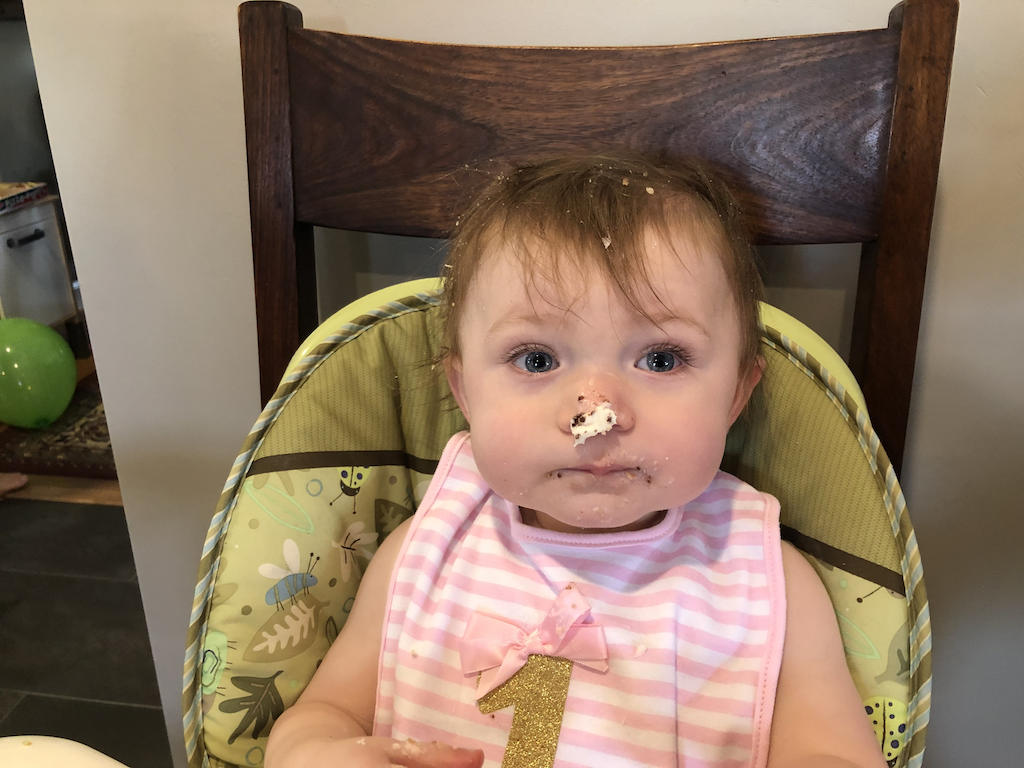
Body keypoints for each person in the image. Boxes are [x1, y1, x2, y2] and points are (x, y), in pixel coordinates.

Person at [264, 154, 886, 768]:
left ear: (737, 396)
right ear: (464, 394)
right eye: (536, 360)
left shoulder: (763, 578)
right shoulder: (425, 549)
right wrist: (314, 753)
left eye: (662, 359)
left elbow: (832, 750)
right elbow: (325, 715)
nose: (598, 413)